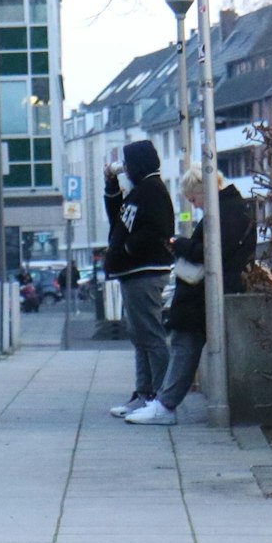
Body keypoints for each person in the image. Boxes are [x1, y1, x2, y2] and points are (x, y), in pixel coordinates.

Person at [126, 170, 256, 426]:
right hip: (215, 290)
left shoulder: (223, 213)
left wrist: (179, 244)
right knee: (186, 346)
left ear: (202, 190)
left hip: (203, 294)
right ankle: (165, 402)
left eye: (193, 199)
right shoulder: (234, 209)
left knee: (184, 346)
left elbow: (208, 251)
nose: (194, 205)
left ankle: (165, 405)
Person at [102, 139, 175, 417]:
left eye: (128, 163)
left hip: (144, 271)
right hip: (134, 272)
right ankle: (144, 393)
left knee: (150, 335)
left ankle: (160, 397)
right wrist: (111, 187)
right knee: (139, 335)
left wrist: (129, 248)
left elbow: (158, 229)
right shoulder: (140, 191)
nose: (126, 168)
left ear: (138, 164)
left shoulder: (152, 191)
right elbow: (118, 221)